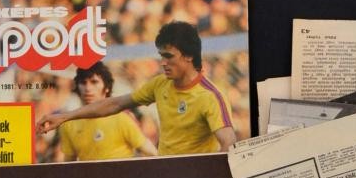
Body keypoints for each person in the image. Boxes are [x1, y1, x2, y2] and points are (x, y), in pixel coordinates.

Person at [36, 22, 237, 155]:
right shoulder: (160, 84)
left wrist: (208, 175)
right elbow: (115, 104)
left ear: (189, 56)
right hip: (165, 174)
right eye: (161, 56)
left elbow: (229, 143)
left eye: (169, 57)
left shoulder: (210, 96)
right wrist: (64, 117)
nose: (163, 63)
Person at [57, 62, 158, 161]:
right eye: (83, 83)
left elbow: (152, 153)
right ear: (77, 87)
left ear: (106, 88)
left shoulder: (121, 118)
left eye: (94, 82)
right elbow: (69, 163)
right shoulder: (68, 124)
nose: (88, 88)